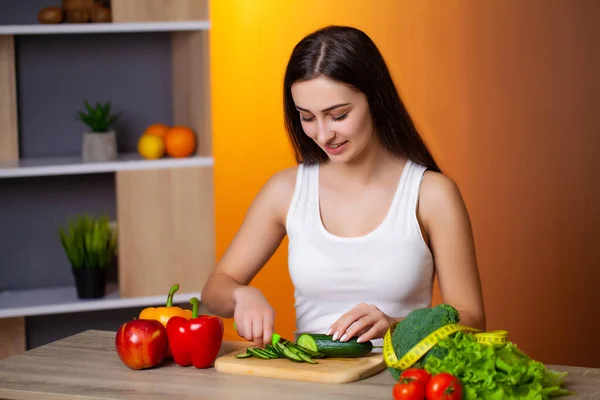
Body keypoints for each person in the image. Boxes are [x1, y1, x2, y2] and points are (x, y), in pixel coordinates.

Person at [201, 25, 486, 349]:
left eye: (338, 115)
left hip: (400, 384)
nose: (323, 135)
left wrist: (396, 326)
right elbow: (214, 292)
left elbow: (472, 318)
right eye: (307, 117)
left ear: (375, 99)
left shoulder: (431, 194)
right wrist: (241, 294)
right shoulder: (286, 191)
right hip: (311, 384)